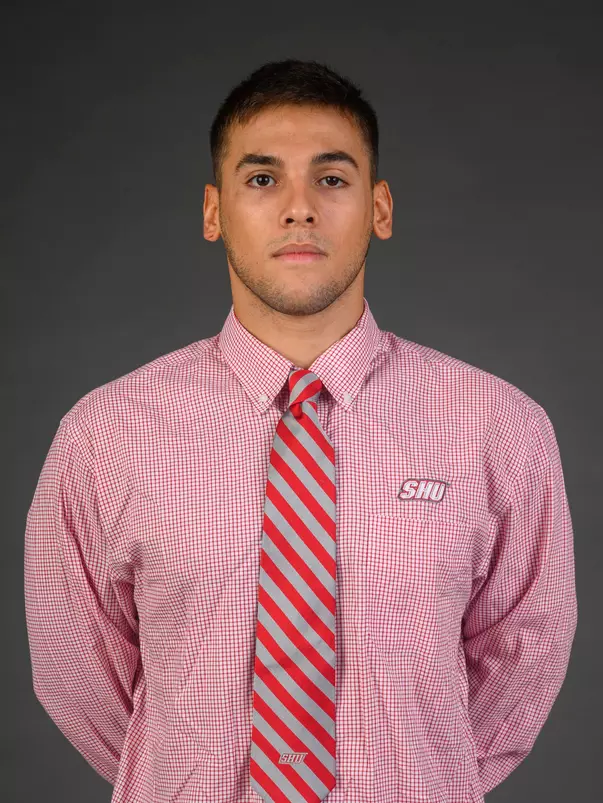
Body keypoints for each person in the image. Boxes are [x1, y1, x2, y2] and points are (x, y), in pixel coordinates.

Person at [24, 58, 578, 803]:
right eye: (261, 179)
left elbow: (523, 651)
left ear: (379, 207)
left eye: (331, 177)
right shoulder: (105, 434)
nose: (298, 208)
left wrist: (419, 770)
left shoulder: (499, 427)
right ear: (213, 211)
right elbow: (76, 671)